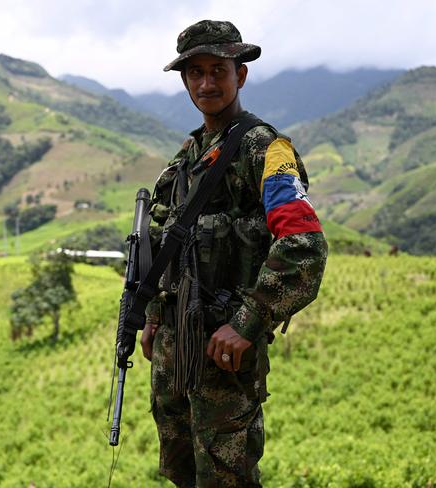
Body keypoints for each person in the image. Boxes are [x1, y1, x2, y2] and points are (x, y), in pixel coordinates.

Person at [140, 20, 328, 487]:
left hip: (223, 361)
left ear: (239, 75)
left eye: (218, 70)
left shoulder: (265, 149)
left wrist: (247, 322)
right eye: (195, 72)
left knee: (227, 479)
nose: (207, 83)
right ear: (184, 80)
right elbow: (165, 247)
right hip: (173, 352)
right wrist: (150, 319)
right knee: (181, 472)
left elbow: (304, 247)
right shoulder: (185, 158)